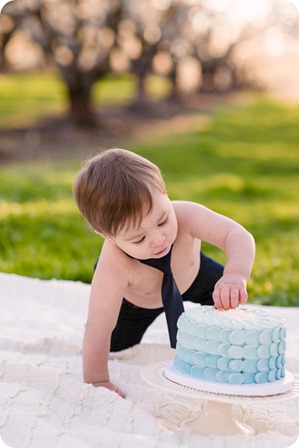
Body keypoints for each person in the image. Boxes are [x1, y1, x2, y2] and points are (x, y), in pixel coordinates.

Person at [73, 148, 255, 398]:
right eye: (139, 238)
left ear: (165, 194)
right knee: (115, 346)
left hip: (193, 276)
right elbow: (98, 328)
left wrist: (235, 274)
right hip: (136, 303)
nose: (159, 239)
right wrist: (98, 380)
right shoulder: (113, 265)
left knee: (231, 306)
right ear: (109, 237)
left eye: (162, 220)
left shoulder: (186, 215)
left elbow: (236, 235)